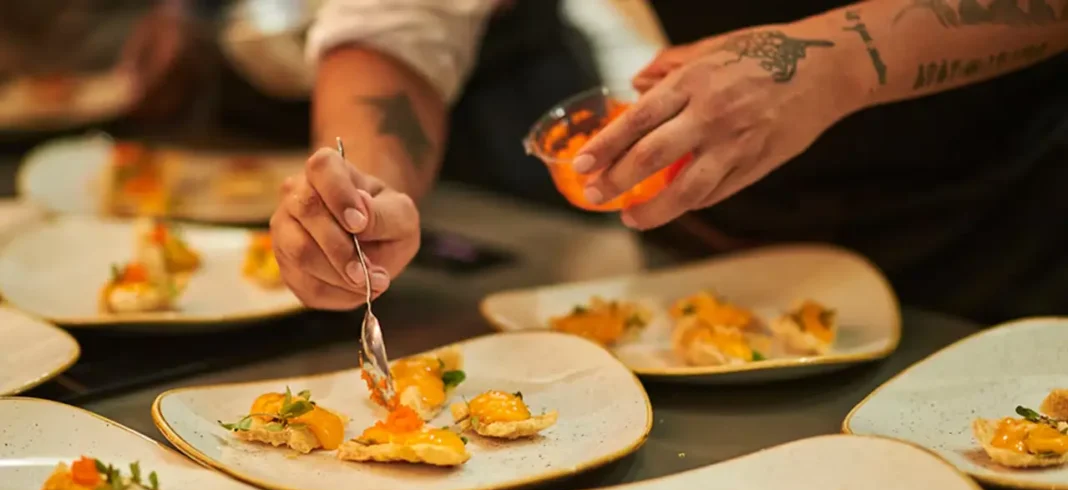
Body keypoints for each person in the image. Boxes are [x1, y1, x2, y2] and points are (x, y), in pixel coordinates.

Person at [273, 0, 1068, 324]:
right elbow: (404, 23)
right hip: (711, 264)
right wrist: (363, 192)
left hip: (1005, 243)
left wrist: (843, 60)